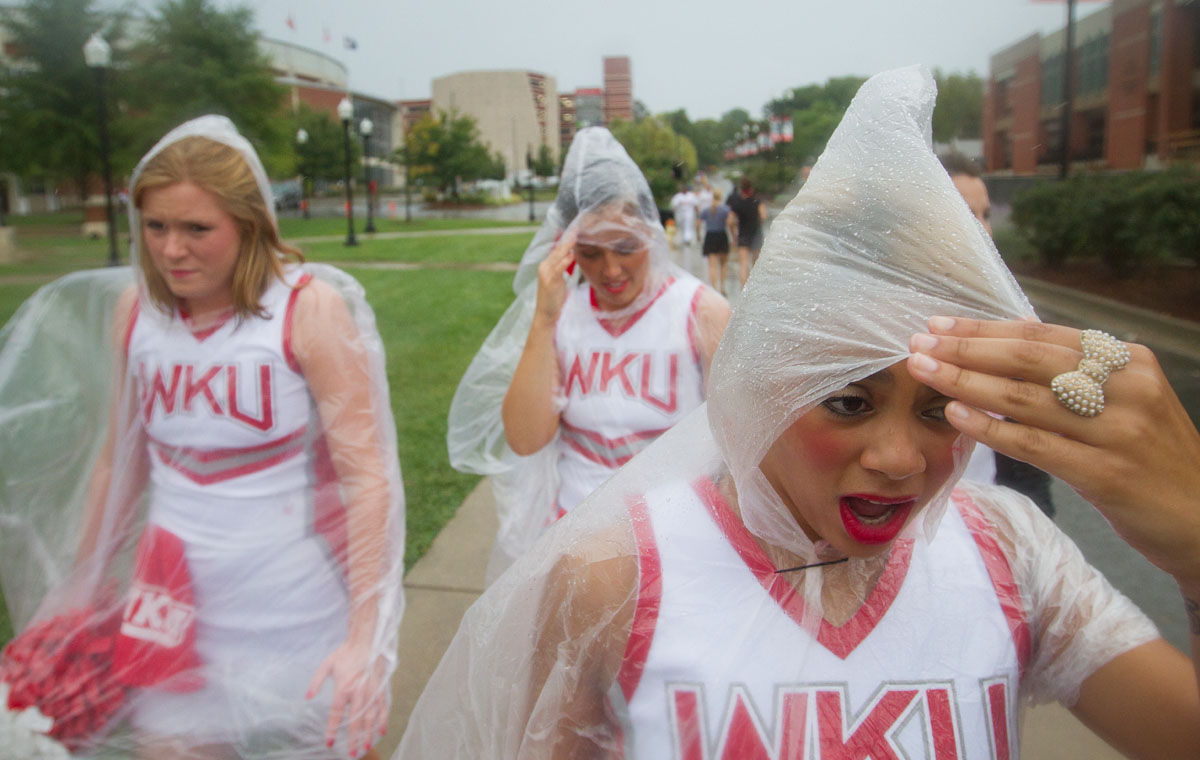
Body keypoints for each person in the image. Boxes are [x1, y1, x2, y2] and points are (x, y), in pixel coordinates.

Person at [397, 67, 1200, 759]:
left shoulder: (1012, 555)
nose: (899, 458)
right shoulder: (614, 580)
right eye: (849, 400)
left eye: (940, 406)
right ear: (764, 381)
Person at [0, 116, 405, 760]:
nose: (171, 250)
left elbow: (366, 478)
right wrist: (83, 589)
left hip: (291, 609)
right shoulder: (135, 313)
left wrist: (366, 634)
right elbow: (117, 462)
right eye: (156, 227)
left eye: (197, 229)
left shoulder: (309, 309)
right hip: (170, 614)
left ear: (250, 226)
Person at [446, 127, 730, 579]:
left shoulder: (701, 313)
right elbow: (524, 438)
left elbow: (740, 449)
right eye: (590, 253)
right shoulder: (562, 317)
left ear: (650, 233)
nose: (611, 269)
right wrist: (542, 321)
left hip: (679, 544)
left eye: (625, 248)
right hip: (576, 541)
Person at [940, 151, 1055, 516]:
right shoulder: (866, 323)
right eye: (965, 213)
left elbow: (1028, 457)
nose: (984, 230)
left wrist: (1032, 524)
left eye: (986, 215)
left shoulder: (1011, 321)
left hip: (980, 527)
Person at [726, 176, 767, 287]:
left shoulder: (737, 204)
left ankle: (743, 290)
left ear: (741, 190)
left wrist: (734, 234)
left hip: (743, 235)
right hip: (756, 234)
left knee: (743, 265)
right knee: (756, 263)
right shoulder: (757, 201)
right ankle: (755, 288)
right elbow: (763, 216)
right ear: (751, 189)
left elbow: (729, 221)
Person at [699, 187, 732, 294]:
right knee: (723, 264)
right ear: (721, 197)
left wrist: (698, 235)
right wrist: (733, 235)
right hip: (721, 236)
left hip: (710, 236)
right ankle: (722, 286)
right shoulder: (726, 209)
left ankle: (714, 288)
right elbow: (730, 223)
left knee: (712, 266)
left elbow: (698, 223)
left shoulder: (706, 210)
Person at [669, 184, 700, 272]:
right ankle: (684, 240)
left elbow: (696, 206)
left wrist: (698, 214)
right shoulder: (677, 197)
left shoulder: (691, 196)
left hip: (689, 216)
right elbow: (673, 207)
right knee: (683, 230)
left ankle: (687, 240)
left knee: (688, 229)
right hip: (680, 216)